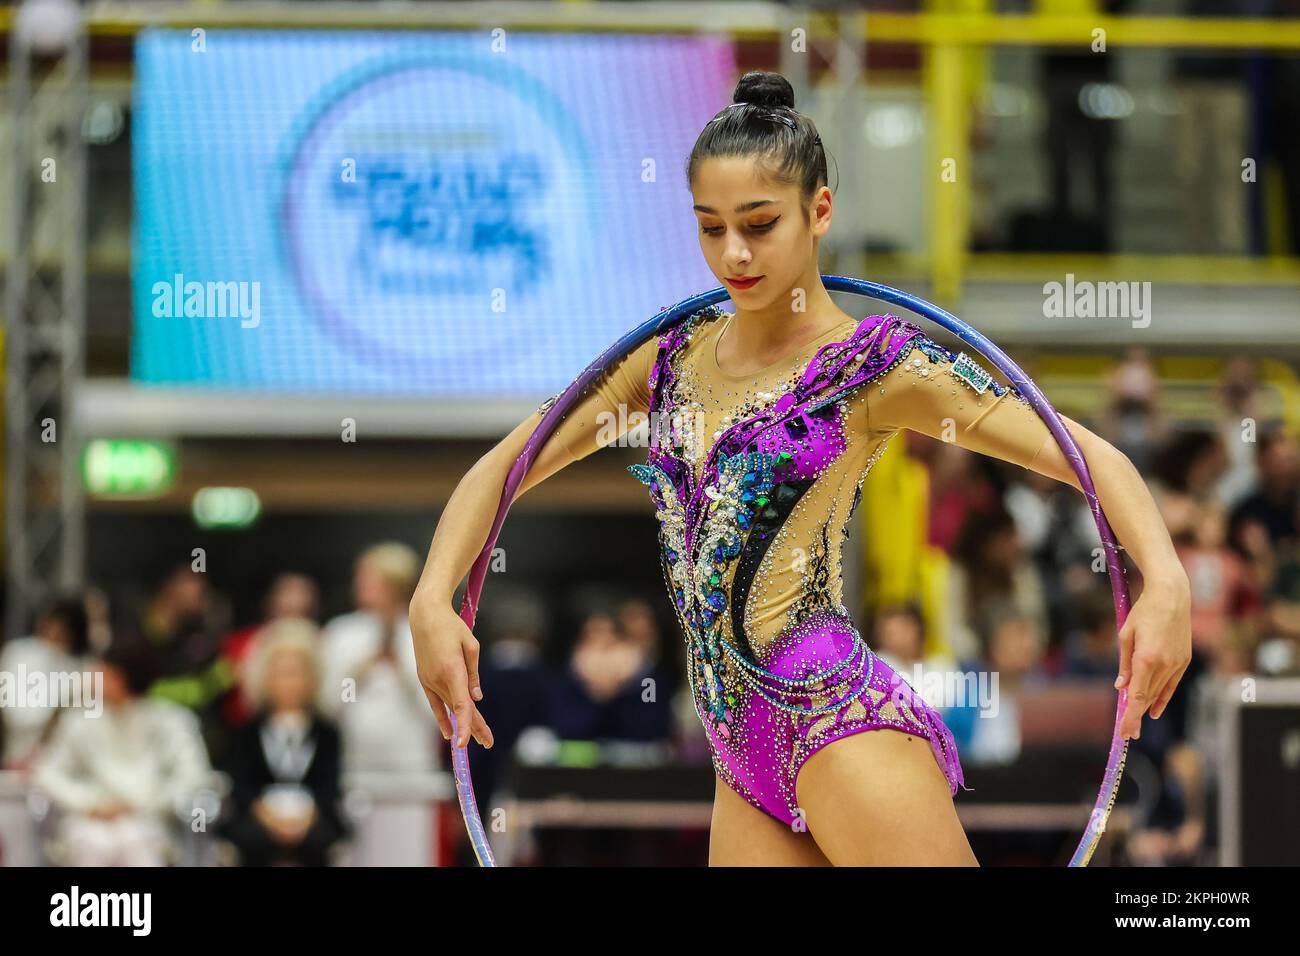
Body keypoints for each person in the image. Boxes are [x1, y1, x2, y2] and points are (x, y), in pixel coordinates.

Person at [408, 71, 1193, 866]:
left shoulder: (873, 367)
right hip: (738, 759)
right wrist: (433, 597)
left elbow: (1091, 457)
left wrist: (1163, 580)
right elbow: (501, 472)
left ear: (820, 211)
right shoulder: (664, 364)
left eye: (759, 224)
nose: (733, 253)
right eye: (710, 228)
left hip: (836, 723)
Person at [31, 637, 213, 866]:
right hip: (90, 822)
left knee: (136, 839)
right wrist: (89, 803)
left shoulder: (171, 720)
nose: (96, 677)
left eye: (106, 672)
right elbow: (48, 773)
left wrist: (144, 804)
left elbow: (194, 775)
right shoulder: (80, 721)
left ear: (124, 675)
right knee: (89, 841)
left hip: (148, 821)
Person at [218, 619, 349, 866]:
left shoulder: (327, 732)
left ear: (312, 677)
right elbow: (242, 786)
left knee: (321, 840)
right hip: (260, 822)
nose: (289, 683)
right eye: (281, 673)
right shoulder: (247, 730)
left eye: (296, 673)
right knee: (250, 839)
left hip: (311, 822)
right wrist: (270, 819)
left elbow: (330, 786)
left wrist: (305, 820)